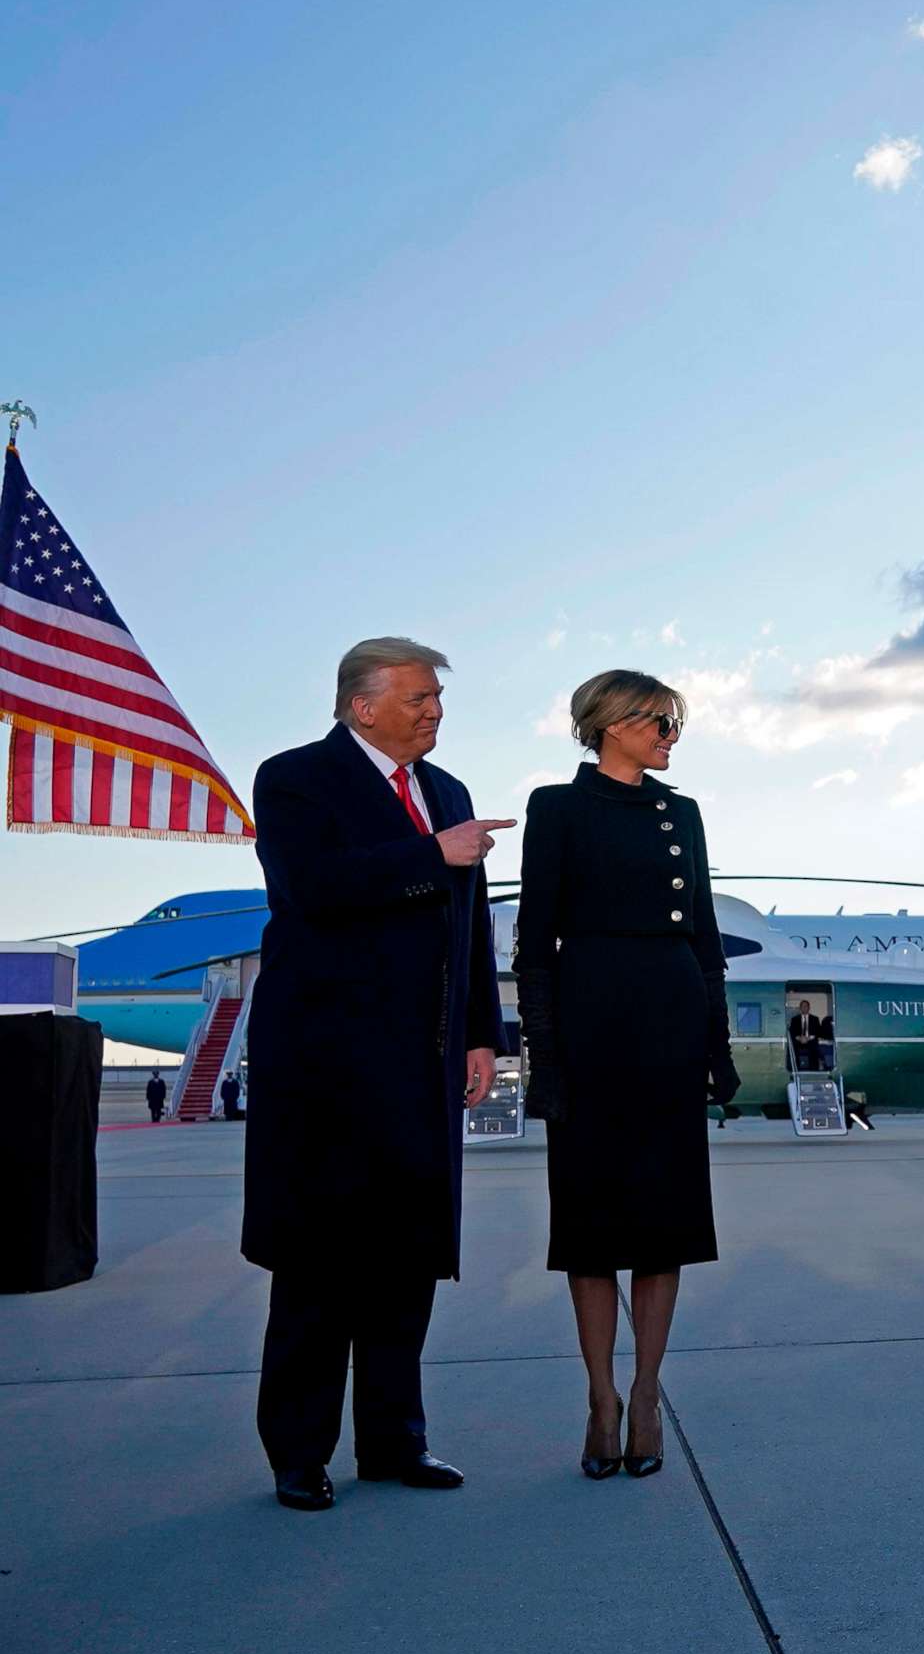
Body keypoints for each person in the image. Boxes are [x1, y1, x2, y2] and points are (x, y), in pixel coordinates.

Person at [241, 637, 508, 1512]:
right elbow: (309, 888)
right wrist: (433, 854)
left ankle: (396, 1442)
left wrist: (481, 1034)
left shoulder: (449, 793)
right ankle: (298, 1453)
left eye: (437, 697)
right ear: (363, 705)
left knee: (406, 1259)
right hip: (325, 1068)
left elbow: (468, 927)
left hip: (423, 1064)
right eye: (420, 697)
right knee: (319, 1265)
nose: (436, 710)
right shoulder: (293, 778)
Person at [516, 669, 736, 1481]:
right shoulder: (558, 807)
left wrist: (714, 1051)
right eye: (659, 723)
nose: (671, 737)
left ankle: (646, 1394)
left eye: (674, 724)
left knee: (662, 1225)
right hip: (590, 1028)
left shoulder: (682, 815)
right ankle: (599, 1395)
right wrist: (546, 1060)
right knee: (590, 1229)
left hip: (670, 1030)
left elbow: (705, 939)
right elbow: (534, 945)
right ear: (611, 724)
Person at [787, 999, 822, 1072]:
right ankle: (795, 1070)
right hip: (799, 1041)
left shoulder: (815, 1019)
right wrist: (799, 1038)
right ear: (800, 1008)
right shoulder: (794, 1019)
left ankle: (813, 1070)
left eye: (806, 1006)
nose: (804, 1008)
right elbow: (792, 1032)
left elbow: (818, 1032)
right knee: (791, 1047)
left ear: (809, 1008)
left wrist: (809, 1038)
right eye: (802, 1006)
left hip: (810, 1040)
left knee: (814, 1047)